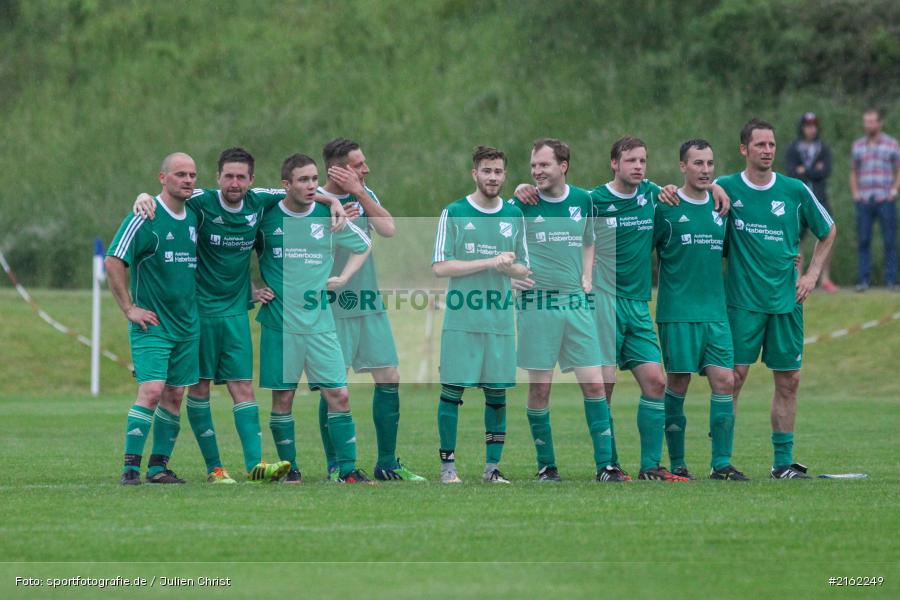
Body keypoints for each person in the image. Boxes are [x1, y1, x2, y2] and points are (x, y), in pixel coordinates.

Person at [514, 140, 730, 481]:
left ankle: (650, 467)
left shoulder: (654, 195)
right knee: (603, 385)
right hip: (602, 302)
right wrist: (523, 187)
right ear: (615, 163)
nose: (639, 166)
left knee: (656, 381)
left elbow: (691, 190)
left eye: (643, 160)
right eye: (631, 160)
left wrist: (715, 186)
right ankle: (608, 465)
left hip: (638, 303)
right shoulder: (594, 199)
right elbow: (558, 201)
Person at [132, 147, 345, 484]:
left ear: (251, 180)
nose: (234, 183)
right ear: (217, 178)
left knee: (243, 388)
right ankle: (215, 469)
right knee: (197, 391)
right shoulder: (201, 202)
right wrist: (143, 195)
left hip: (236, 314)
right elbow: (168, 195)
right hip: (199, 313)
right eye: (228, 176)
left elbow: (298, 189)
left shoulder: (259, 200)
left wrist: (331, 201)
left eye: (241, 177)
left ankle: (255, 466)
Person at [717, 118, 836, 479]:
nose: (767, 150)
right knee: (733, 379)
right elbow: (695, 203)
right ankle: (721, 463)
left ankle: (782, 463)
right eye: (760, 145)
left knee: (790, 380)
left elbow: (828, 231)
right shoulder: (723, 187)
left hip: (786, 301)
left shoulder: (794, 190)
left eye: (771, 145)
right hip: (742, 302)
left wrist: (812, 275)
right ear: (744, 149)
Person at [255, 153, 374, 483]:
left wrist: (344, 278)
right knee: (283, 399)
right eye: (303, 180)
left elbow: (363, 245)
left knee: (340, 394)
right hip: (280, 323)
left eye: (313, 179)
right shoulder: (265, 217)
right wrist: (251, 289)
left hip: (321, 324)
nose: (311, 185)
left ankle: (347, 471)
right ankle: (289, 469)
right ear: (285, 185)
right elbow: (231, 254)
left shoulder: (327, 214)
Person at [314, 138, 425, 482]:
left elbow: (389, 228)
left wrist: (359, 193)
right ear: (338, 168)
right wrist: (333, 212)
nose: (366, 168)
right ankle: (337, 466)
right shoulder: (312, 199)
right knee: (334, 384)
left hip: (369, 302)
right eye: (359, 164)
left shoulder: (366, 194)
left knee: (389, 375)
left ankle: (387, 463)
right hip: (333, 306)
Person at [508, 139, 612, 482]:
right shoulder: (522, 203)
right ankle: (546, 466)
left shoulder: (584, 200)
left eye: (544, 165)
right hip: (537, 305)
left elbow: (588, 241)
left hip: (576, 303)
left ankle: (607, 466)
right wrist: (509, 279)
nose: (537, 172)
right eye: (534, 166)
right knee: (540, 388)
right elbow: (497, 246)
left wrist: (586, 275)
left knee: (595, 385)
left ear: (563, 166)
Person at [432, 146, 531, 484]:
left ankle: (492, 469)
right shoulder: (455, 212)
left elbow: (523, 267)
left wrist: (511, 269)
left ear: (505, 175)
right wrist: (491, 262)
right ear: (474, 173)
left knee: (497, 393)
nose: (492, 177)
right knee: (452, 390)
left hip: (501, 320)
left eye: (498, 171)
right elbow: (441, 266)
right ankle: (448, 468)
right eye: (486, 171)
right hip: (462, 319)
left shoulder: (515, 216)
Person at [654, 139, 747, 481]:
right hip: (677, 312)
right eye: (698, 163)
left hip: (715, 312)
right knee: (678, 382)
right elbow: (642, 248)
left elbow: (738, 251)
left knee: (726, 380)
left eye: (710, 163)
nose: (705, 169)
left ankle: (721, 463)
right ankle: (677, 463)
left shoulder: (722, 207)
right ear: (683, 167)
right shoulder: (665, 206)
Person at [106, 152, 200, 485]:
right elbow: (114, 260)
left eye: (192, 174)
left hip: (188, 324)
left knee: (175, 395)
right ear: (162, 178)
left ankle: (159, 467)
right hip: (153, 324)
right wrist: (129, 308)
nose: (187, 180)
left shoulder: (197, 213)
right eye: (179, 174)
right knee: (151, 390)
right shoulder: (145, 216)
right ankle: (130, 467)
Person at [785, 112, 837, 292]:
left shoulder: (823, 148)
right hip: (798, 201)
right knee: (796, 238)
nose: (811, 129)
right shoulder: (793, 148)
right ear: (802, 127)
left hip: (820, 199)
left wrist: (804, 170)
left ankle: (825, 278)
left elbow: (825, 171)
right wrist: (813, 170)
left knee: (827, 232)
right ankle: (797, 277)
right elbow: (791, 172)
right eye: (807, 125)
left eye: (814, 125)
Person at [850, 108, 900, 291]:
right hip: (864, 199)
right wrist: (855, 193)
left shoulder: (892, 144)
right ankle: (863, 281)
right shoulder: (858, 146)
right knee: (863, 240)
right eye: (866, 121)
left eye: (872, 121)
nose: (868, 125)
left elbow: (898, 169)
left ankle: (891, 281)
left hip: (885, 198)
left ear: (880, 123)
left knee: (889, 241)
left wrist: (894, 190)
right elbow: (853, 171)